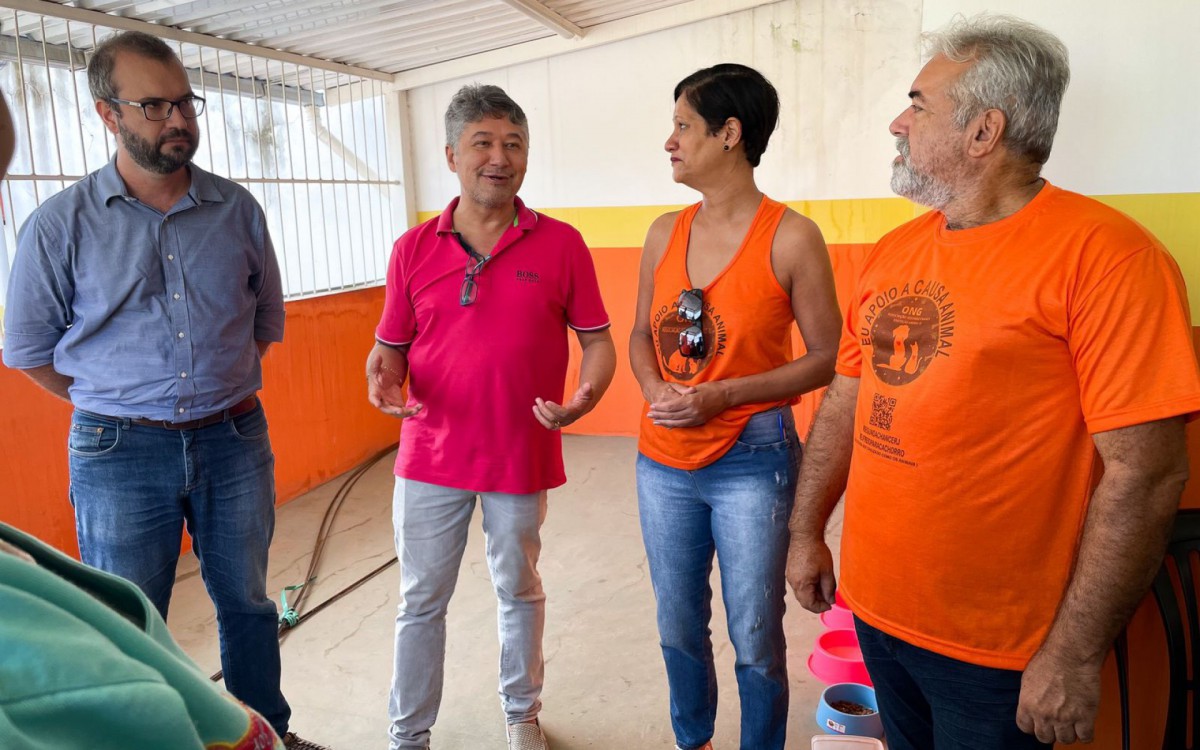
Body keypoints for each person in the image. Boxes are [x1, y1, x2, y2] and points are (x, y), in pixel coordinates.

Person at [786, 14, 1200, 750]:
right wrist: (806, 531)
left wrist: (1071, 654)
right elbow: (846, 403)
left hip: (999, 651)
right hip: (876, 611)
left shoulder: (1110, 260)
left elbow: (1147, 472)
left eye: (917, 105)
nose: (897, 123)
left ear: (984, 131)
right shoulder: (892, 252)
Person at [1, 30, 327, 750]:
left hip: (234, 435)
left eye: (184, 102)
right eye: (155, 106)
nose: (178, 120)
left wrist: (217, 387)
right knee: (129, 615)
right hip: (117, 449)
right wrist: (118, 402)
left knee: (246, 603)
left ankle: (266, 732)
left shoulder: (238, 210)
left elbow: (264, 318)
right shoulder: (59, 226)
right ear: (106, 114)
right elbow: (28, 351)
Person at [366, 83, 616, 750]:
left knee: (519, 587)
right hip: (431, 454)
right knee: (420, 601)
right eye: (483, 143)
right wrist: (381, 377)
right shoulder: (412, 248)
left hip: (519, 452)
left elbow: (597, 342)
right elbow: (388, 349)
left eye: (514, 144)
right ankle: (408, 734)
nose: (499, 157)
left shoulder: (562, 245)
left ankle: (521, 713)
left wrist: (585, 396)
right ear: (452, 154)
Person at [628, 64, 841, 750]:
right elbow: (639, 335)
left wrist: (725, 395)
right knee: (678, 626)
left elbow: (827, 357)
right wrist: (655, 389)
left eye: (683, 126)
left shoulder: (791, 236)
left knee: (755, 634)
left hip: (753, 457)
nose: (669, 141)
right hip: (661, 460)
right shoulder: (663, 231)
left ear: (730, 134)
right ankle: (695, 741)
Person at [0, 521, 285, 750]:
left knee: (246, 606)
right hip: (118, 455)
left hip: (234, 451)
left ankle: (278, 730)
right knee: (124, 640)